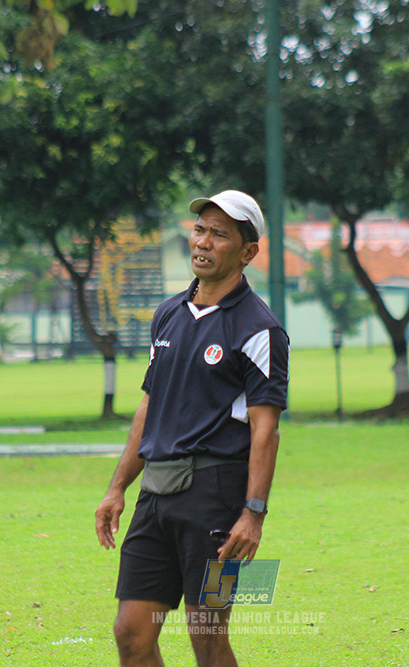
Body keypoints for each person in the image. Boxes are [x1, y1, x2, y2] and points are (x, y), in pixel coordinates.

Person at [95, 189, 289, 667]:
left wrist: (254, 514)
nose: (203, 241)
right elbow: (148, 408)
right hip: (156, 497)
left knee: (207, 635)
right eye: (199, 229)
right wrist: (118, 487)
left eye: (219, 234)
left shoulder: (261, 330)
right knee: (131, 633)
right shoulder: (168, 314)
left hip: (218, 498)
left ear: (248, 252)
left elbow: (266, 431)